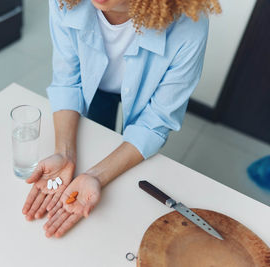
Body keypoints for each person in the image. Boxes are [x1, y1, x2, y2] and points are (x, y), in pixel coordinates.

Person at [22, 0, 221, 238]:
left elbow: (154, 122)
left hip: (144, 95)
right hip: (94, 85)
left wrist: (97, 175)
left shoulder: (189, 26)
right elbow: (67, 80)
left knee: (123, 174)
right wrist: (65, 154)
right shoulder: (65, 1)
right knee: (95, 141)